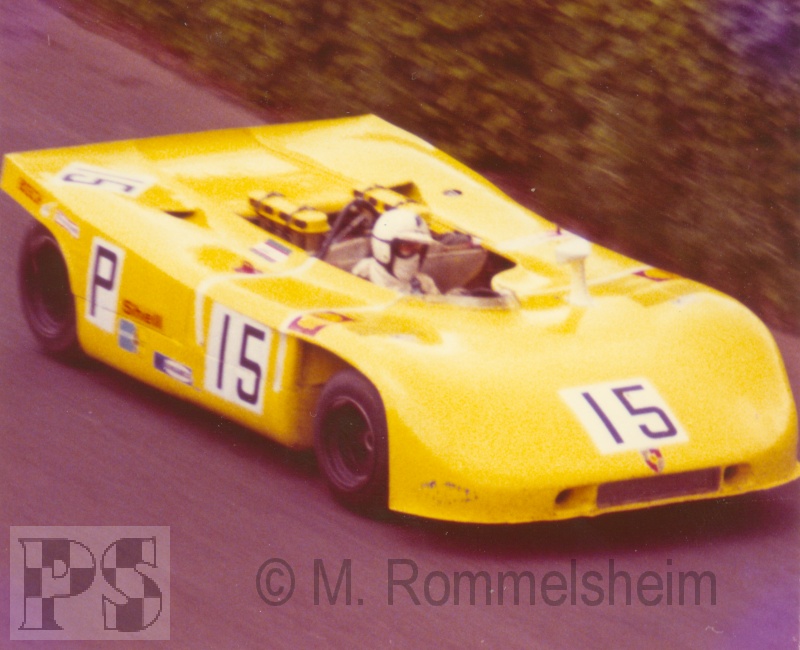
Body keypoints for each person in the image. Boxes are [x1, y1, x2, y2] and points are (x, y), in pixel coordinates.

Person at [352, 207, 440, 295]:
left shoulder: (425, 285)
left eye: (419, 248)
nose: (416, 256)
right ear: (383, 247)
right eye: (407, 246)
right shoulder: (358, 280)